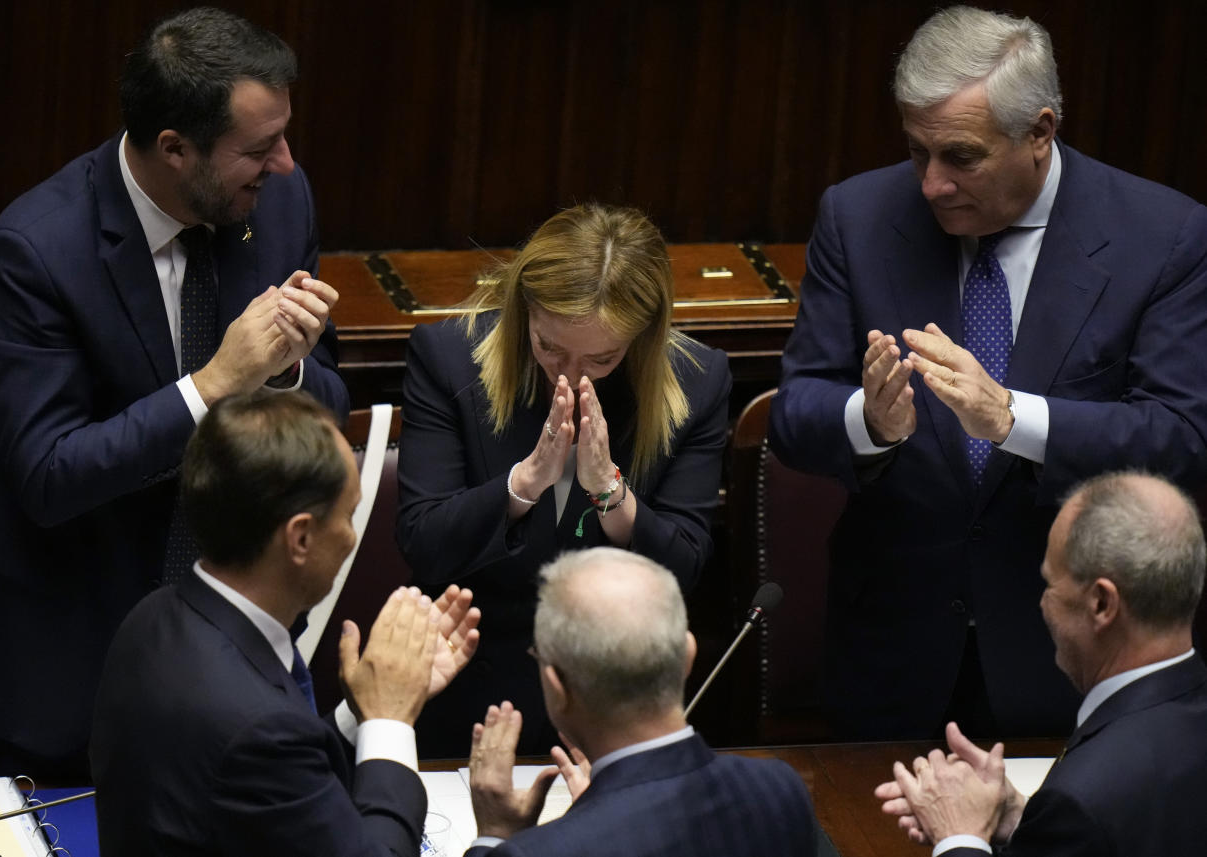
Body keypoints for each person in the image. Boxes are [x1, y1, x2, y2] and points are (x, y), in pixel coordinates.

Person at [768, 5, 1207, 740]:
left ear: (1040, 132)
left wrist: (1011, 418)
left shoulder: (1162, 237)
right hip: (890, 661)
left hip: (1069, 660)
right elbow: (795, 412)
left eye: (961, 157)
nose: (933, 184)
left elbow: (1179, 437)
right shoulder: (859, 216)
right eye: (917, 153)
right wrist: (871, 422)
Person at [0, 7, 350, 777]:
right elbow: (49, 474)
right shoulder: (34, 253)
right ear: (175, 148)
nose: (284, 163)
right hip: (67, 667)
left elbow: (327, 399)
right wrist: (214, 384)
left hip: (237, 659)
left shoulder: (280, 201)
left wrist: (286, 372)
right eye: (259, 146)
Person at [397, 204, 731, 755]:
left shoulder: (695, 381)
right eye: (549, 347)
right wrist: (525, 482)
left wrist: (610, 492)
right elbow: (424, 544)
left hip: (620, 698)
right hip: (472, 682)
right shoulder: (450, 360)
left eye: (601, 358)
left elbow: (684, 569)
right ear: (524, 309)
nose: (571, 376)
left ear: (640, 338)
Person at [91, 390, 480, 856]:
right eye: (349, 516)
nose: (353, 537)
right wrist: (389, 720)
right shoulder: (258, 732)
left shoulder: (152, 620)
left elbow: (282, 793)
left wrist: (362, 710)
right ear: (300, 537)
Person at [874, 471, 1207, 856]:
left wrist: (959, 834)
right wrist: (1024, 820)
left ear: (1101, 604)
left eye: (1049, 585)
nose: (1041, 604)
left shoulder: (1083, 797)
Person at [464, 547, 814, 856]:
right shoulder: (781, 788)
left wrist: (495, 837)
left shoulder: (539, 851)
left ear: (558, 686)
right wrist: (598, 807)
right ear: (688, 657)